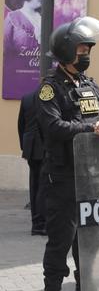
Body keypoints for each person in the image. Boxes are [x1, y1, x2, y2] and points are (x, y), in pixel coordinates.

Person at [37, 17, 99, 291]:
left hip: (93, 175)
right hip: (64, 176)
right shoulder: (50, 88)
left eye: (88, 51)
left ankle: (85, 290)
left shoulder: (89, 84)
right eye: (81, 51)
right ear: (65, 51)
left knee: (89, 239)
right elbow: (54, 127)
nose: (86, 56)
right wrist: (91, 128)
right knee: (61, 240)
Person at [18, 89, 46, 235]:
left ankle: (36, 222)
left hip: (30, 146)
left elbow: (20, 125)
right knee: (43, 186)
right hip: (43, 147)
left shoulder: (27, 97)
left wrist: (24, 146)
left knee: (34, 184)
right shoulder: (49, 97)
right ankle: (40, 223)